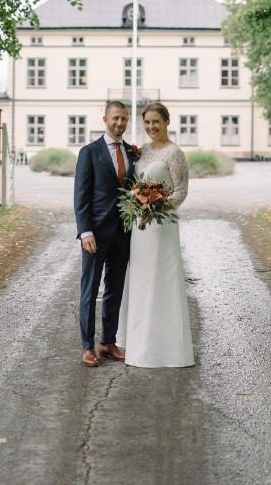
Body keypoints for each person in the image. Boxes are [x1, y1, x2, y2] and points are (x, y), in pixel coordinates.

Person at [117, 101, 194, 367]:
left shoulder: (174, 153)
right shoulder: (143, 151)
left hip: (161, 225)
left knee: (162, 279)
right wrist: (138, 203)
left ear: (166, 122)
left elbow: (181, 191)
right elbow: (134, 184)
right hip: (140, 228)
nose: (151, 127)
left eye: (156, 122)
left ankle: (167, 348)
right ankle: (140, 344)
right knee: (142, 280)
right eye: (147, 122)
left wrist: (157, 206)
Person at [74, 100, 135, 368]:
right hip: (95, 234)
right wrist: (85, 231)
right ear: (105, 120)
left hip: (123, 232)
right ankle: (88, 346)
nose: (119, 123)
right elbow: (81, 196)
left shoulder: (132, 152)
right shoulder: (89, 152)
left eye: (124, 118)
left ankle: (108, 342)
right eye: (115, 118)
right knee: (90, 288)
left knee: (115, 287)